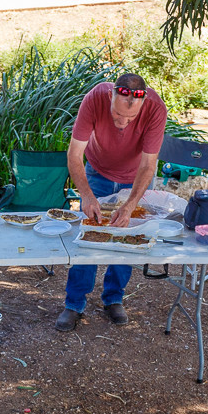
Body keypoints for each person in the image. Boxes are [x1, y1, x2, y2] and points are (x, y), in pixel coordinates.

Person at [57, 73, 167, 332]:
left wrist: (130, 204)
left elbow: (149, 164)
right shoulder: (95, 97)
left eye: (131, 118)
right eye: (118, 116)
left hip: (135, 178)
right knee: (89, 233)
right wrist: (85, 194)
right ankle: (74, 303)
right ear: (110, 96)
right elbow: (74, 153)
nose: (123, 123)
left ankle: (114, 297)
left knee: (128, 236)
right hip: (98, 172)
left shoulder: (155, 108)